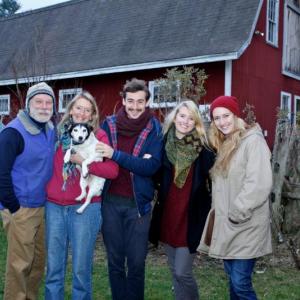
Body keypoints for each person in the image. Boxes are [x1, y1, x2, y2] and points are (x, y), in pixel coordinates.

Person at [45, 91, 119, 300]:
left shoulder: (98, 136)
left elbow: (112, 171)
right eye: (78, 108)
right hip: (54, 207)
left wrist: (80, 161)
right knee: (53, 270)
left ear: (93, 114)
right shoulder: (56, 133)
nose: (82, 113)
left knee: (80, 270)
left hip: (85, 211)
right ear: (70, 110)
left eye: (87, 110)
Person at [199, 96, 273, 300]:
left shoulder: (253, 141)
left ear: (235, 115)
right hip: (227, 225)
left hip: (246, 223)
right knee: (233, 280)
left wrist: (237, 212)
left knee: (240, 283)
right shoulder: (225, 144)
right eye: (217, 118)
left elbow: (259, 183)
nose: (222, 122)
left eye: (226, 115)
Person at [97, 78, 163, 300]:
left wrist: (115, 154)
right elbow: (100, 159)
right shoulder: (109, 125)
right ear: (123, 100)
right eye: (131, 101)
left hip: (139, 207)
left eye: (140, 102)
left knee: (136, 263)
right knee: (115, 262)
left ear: (147, 103)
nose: (135, 107)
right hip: (111, 204)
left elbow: (151, 166)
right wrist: (135, 161)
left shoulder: (154, 128)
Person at [149, 100, 215, 300]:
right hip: (169, 216)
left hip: (191, 218)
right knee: (174, 272)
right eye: (182, 116)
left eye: (191, 118)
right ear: (174, 117)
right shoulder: (162, 144)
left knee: (182, 272)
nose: (185, 121)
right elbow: (154, 174)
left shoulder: (204, 149)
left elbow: (216, 178)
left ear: (196, 122)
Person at [0, 82, 56, 300]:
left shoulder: (49, 129)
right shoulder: (13, 133)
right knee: (19, 265)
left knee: (37, 263)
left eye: (48, 102)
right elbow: (1, 173)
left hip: (42, 207)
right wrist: (13, 207)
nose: (44, 107)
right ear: (28, 104)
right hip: (20, 208)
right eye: (39, 102)